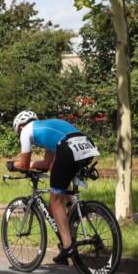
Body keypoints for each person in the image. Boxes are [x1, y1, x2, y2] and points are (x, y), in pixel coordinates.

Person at [11, 110, 99, 265]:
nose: (20, 135)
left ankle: (67, 246)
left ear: (20, 127)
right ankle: (72, 217)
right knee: (61, 185)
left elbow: (23, 164)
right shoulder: (46, 130)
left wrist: (12, 165)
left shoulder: (26, 131)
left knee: (55, 201)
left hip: (68, 148)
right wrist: (31, 165)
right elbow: (46, 164)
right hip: (86, 144)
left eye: (18, 132)